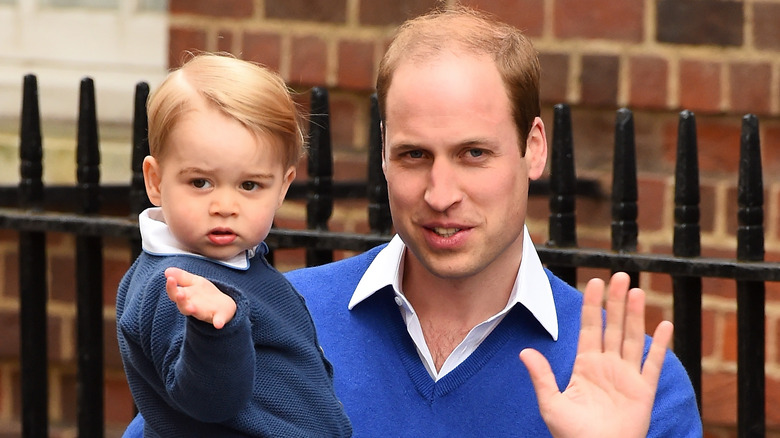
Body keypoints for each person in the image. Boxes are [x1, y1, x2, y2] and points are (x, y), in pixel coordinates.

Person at [123, 5, 702, 437]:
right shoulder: (266, 316)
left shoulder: (633, 381)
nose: (440, 193)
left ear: (534, 149)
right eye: (414, 155)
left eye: (474, 153)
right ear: (382, 153)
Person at [115, 53, 352, 437]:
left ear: (282, 187)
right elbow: (209, 401)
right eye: (200, 182)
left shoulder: (234, 263)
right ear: (155, 181)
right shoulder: (176, 287)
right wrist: (212, 330)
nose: (224, 207)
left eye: (249, 185)